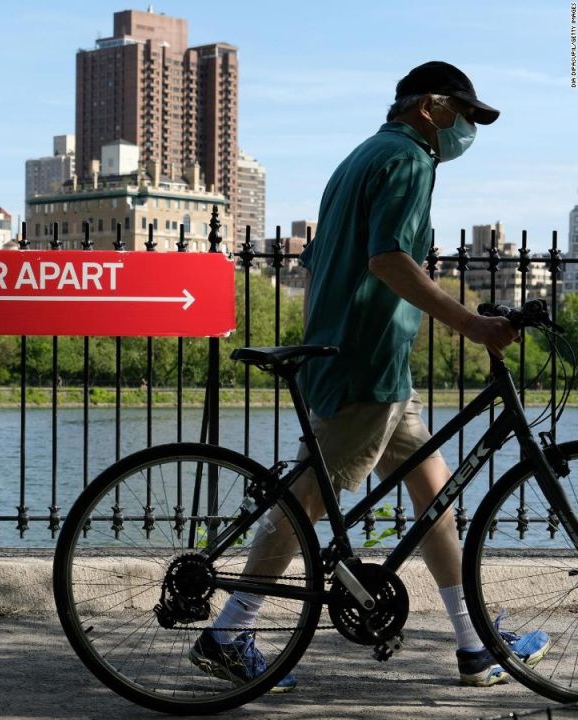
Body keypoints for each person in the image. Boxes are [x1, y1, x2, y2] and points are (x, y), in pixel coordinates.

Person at [192, 61, 550, 692]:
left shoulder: (365, 154)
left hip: (371, 360)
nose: (468, 130)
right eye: (466, 115)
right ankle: (227, 631)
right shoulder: (409, 160)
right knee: (302, 504)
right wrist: (471, 323)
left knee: (436, 499)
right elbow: (388, 261)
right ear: (432, 106)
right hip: (361, 364)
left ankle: (475, 645)